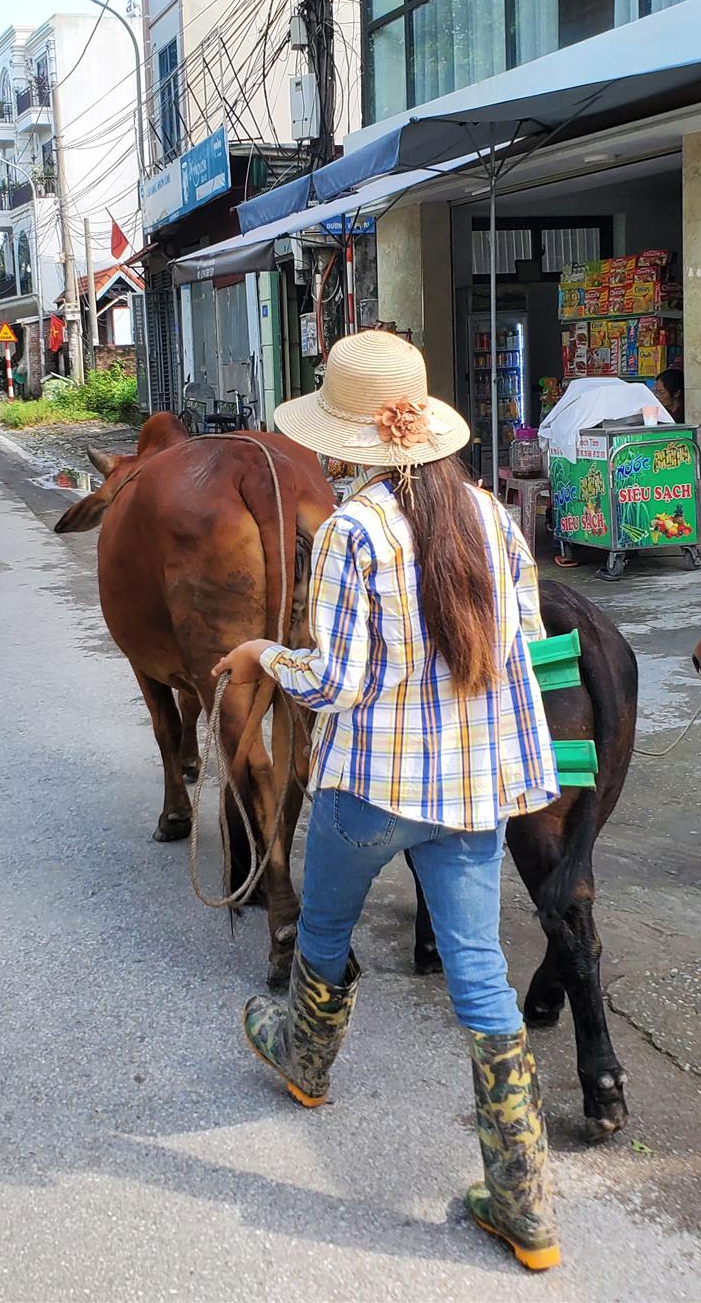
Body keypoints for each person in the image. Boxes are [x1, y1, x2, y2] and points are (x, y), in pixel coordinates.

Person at [214, 330, 562, 1272]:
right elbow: (525, 632)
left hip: (371, 788)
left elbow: (334, 683)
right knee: (480, 970)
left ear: (344, 441)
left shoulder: (351, 532)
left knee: (326, 926)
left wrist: (259, 656)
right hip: (472, 791)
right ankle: (524, 1202)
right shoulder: (489, 515)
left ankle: (305, 1061)